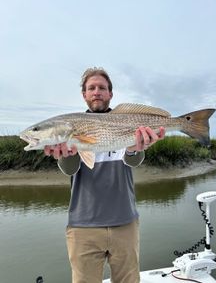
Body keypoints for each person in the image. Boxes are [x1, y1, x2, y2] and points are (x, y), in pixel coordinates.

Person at [44, 67, 165, 283]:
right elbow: (71, 170)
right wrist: (66, 155)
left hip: (125, 222)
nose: (97, 92)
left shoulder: (127, 121)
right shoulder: (71, 126)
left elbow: (133, 161)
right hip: (83, 226)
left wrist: (136, 147)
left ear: (111, 94)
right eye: (91, 88)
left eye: (102, 88)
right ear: (84, 95)